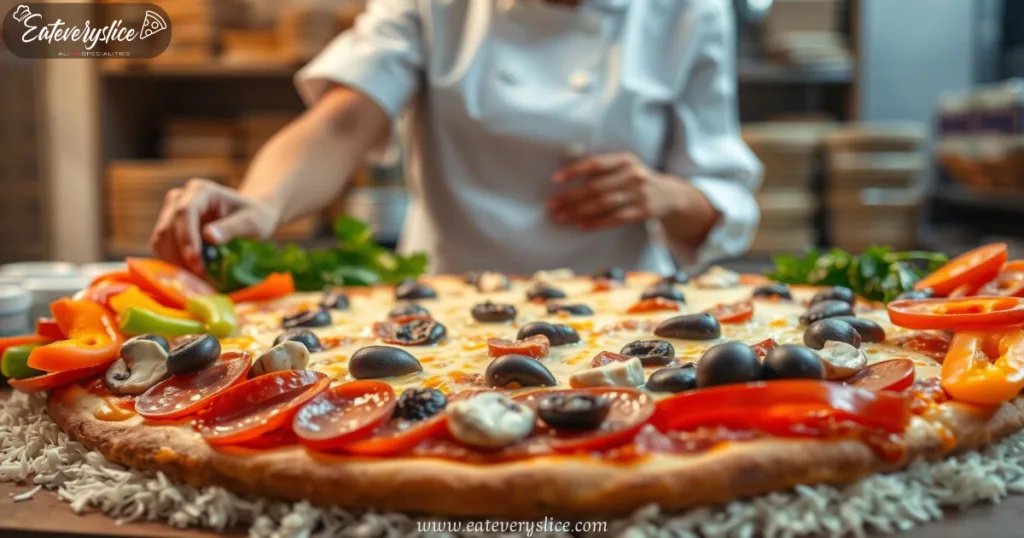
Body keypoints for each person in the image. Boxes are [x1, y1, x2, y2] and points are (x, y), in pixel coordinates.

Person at [150, 0, 762, 277]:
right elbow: (343, 120)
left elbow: (720, 204)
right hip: (446, 306)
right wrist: (264, 204)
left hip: (620, 308)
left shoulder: (689, 12)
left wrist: (667, 196)